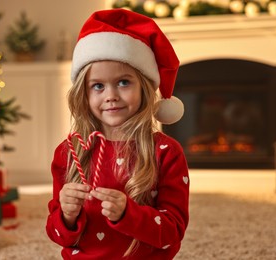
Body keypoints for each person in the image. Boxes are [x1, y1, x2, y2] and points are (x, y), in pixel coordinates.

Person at [46, 9, 189, 259]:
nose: (110, 95)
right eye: (98, 86)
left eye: (123, 82)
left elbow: (172, 233)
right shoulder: (70, 152)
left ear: (144, 87)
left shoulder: (166, 152)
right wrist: (67, 215)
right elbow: (57, 235)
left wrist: (128, 214)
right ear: (84, 93)